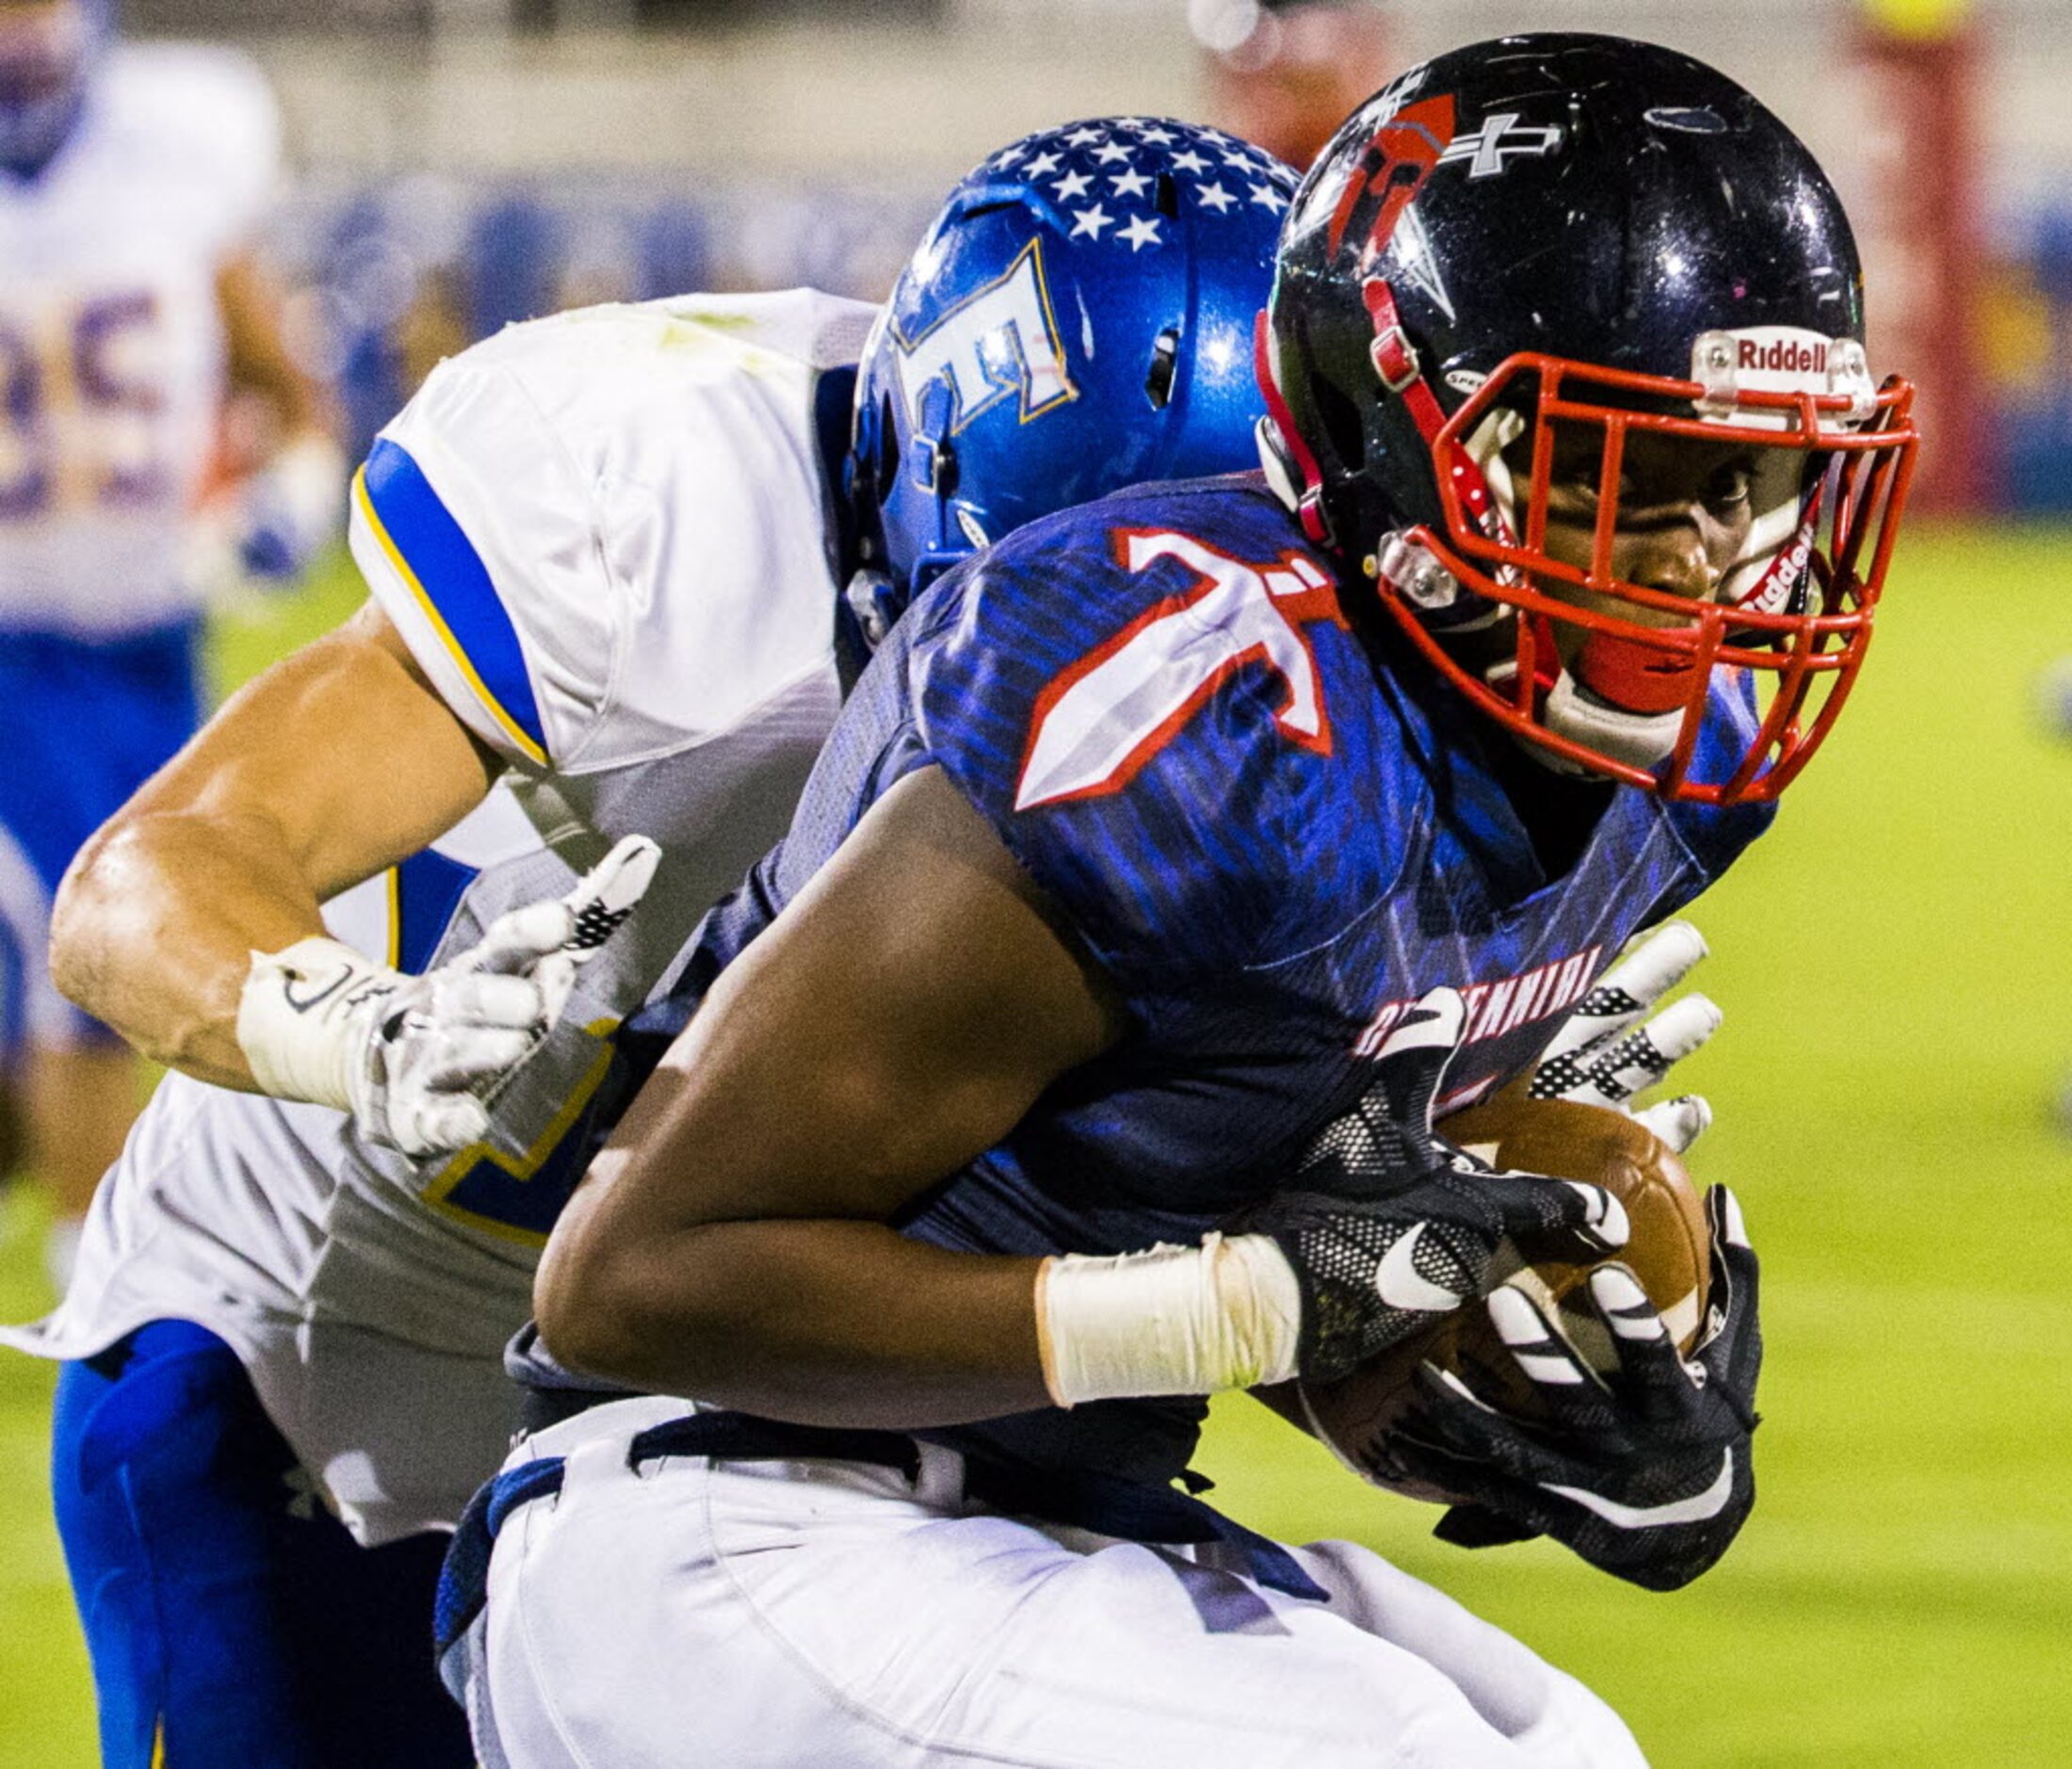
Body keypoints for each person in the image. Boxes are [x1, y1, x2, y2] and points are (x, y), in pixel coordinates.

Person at [447, 37, 1919, 1768]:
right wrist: (1244, 1308)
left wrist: (1570, 1398)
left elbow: (1250, 1187)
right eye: (1625, 476)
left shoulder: (1688, 753)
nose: (1705, 561)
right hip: (721, 1511)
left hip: (1047, 1506)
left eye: (1747, 480)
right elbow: (632, 1279)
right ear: (1405, 428)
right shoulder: (1197, 710)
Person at [6, 118, 1293, 1766]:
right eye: (1065, 620)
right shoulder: (657, 491)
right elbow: (145, 878)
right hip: (324, 1362)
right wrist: (358, 1030)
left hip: (758, 1404)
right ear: (934, 488)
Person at [0, 0, 342, 1285]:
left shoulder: (177, 141)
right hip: (10, 643)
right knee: (66, 949)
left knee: (121, 938)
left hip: (146, 642)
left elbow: (288, 393)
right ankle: (102, 1276)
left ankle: (104, 1252)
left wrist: (282, 506)